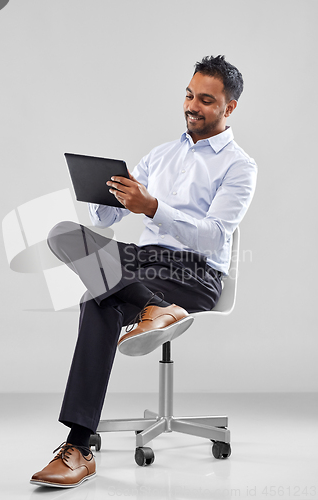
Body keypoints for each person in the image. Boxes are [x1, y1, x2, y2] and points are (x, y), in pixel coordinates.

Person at [30, 55, 257, 488]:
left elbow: (213, 236)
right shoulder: (161, 154)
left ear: (229, 108)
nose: (192, 105)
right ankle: (154, 308)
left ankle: (78, 447)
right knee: (64, 232)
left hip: (194, 273)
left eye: (205, 100)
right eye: (189, 95)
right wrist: (109, 194)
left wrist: (152, 206)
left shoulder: (239, 166)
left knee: (98, 296)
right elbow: (105, 222)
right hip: (143, 262)